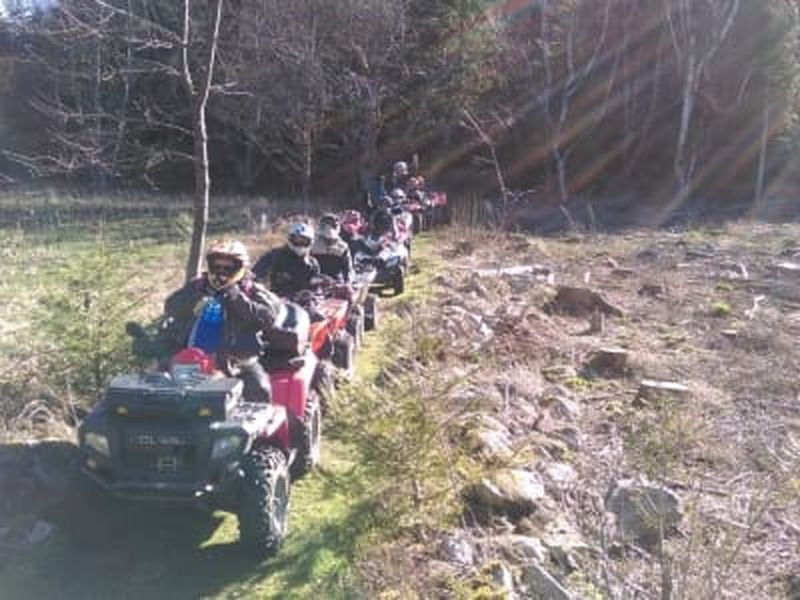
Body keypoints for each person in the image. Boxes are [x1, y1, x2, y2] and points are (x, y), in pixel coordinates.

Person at [162, 240, 279, 403]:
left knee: (260, 389)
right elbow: (171, 305)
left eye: (228, 268)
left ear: (240, 268)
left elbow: (268, 316)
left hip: (238, 362)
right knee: (155, 380)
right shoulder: (197, 286)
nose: (221, 272)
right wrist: (194, 302)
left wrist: (237, 298)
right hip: (192, 358)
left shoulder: (251, 289)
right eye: (217, 266)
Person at [252, 222, 321, 298]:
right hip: (279, 302)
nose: (300, 243)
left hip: (304, 303)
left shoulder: (312, 263)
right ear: (290, 238)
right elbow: (255, 274)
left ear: (310, 242)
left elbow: (316, 288)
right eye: (297, 240)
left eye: (304, 241)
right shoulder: (275, 255)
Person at [311, 213, 352, 283]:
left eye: (332, 225)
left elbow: (348, 270)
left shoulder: (343, 246)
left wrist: (347, 282)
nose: (329, 228)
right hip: (315, 281)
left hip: (335, 282)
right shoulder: (311, 243)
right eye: (326, 225)